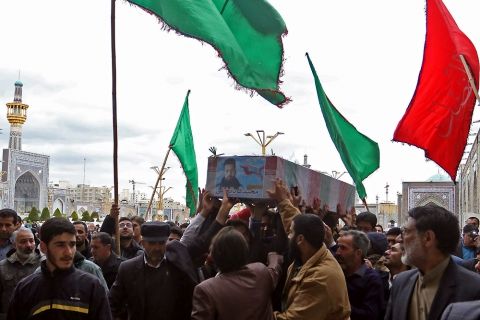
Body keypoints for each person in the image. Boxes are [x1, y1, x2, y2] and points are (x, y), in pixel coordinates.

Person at [267, 179, 351, 320]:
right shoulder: (311, 250)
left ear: (300, 239)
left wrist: (255, 308)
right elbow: (296, 223)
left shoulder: (320, 278)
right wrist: (282, 201)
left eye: (291, 233)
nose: (288, 234)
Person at [385, 204, 480, 320]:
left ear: (428, 238)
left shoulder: (473, 289)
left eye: (406, 231)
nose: (399, 239)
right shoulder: (401, 282)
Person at [7, 217, 111, 319]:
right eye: (60, 245)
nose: (68, 252)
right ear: (43, 247)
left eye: (72, 244)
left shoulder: (92, 286)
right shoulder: (25, 289)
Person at [191, 227, 283, 320]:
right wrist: (274, 258)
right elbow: (274, 270)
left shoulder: (205, 290)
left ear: (213, 255)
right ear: (245, 249)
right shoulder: (260, 271)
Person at [109, 221, 196, 320]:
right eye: (152, 243)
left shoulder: (177, 266)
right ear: (143, 243)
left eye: (161, 243)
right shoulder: (128, 269)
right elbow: (112, 304)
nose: (157, 248)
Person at [336, 230, 385, 320]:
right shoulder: (338, 273)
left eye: (343, 248)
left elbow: (370, 315)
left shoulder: (372, 280)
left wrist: (339, 306)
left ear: (358, 253)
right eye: (338, 247)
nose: (338, 252)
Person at [0, 227, 41, 319]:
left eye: (31, 241)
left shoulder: (44, 265)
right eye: (23, 242)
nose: (29, 245)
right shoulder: (2, 267)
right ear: (14, 245)